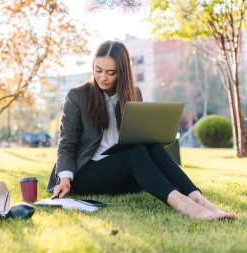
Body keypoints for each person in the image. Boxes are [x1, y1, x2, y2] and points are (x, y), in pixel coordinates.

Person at [46, 40, 235, 221]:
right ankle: (182, 204)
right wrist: (64, 178)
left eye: (111, 72)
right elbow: (66, 142)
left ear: (122, 72)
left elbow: (139, 134)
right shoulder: (78, 96)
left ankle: (199, 199)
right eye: (98, 70)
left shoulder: (133, 93)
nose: (103, 77)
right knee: (135, 153)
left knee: (150, 144)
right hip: (85, 174)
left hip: (122, 171)